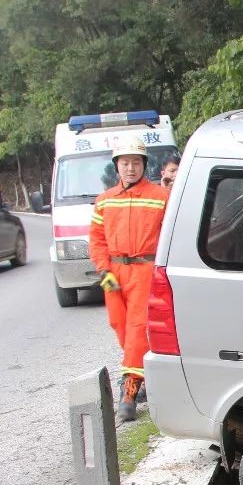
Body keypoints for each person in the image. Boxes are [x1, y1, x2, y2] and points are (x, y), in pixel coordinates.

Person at [88, 134, 170, 421]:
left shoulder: (161, 197)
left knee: (136, 330)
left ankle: (129, 395)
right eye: (125, 163)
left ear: (144, 165)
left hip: (145, 270)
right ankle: (142, 375)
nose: (130, 168)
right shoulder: (104, 201)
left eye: (136, 162)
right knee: (121, 327)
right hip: (114, 272)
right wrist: (103, 271)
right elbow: (96, 239)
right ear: (117, 166)